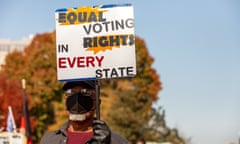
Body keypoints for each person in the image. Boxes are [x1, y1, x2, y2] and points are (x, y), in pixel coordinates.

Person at [40, 80, 129, 144]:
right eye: (70, 93)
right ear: (65, 102)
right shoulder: (49, 140)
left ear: (97, 103)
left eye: (86, 93)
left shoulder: (117, 141)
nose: (77, 100)